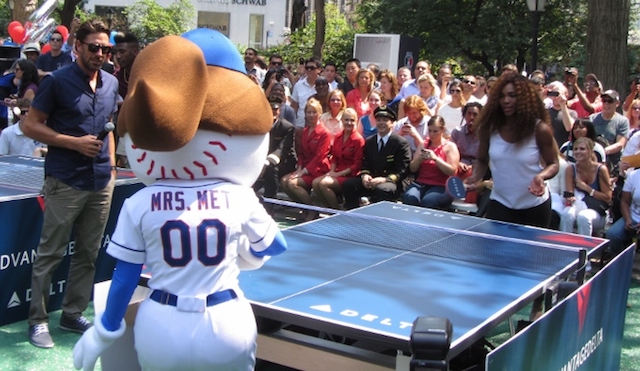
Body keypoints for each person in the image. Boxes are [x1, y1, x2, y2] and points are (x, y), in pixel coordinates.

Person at [22, 20, 119, 349]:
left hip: (101, 181)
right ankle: (37, 321)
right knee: (50, 253)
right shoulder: (58, 82)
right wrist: (71, 143)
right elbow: (30, 126)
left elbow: (109, 127)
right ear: (77, 46)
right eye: (94, 47)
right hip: (65, 179)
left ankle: (72, 313)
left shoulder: (111, 84)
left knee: (88, 254)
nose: (100, 54)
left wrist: (113, 167)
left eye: (106, 48)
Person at [464, 72, 559, 228]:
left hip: (534, 207)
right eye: (502, 96)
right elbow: (481, 159)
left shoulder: (540, 129)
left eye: (512, 95)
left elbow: (553, 163)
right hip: (500, 204)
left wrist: (540, 177)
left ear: (524, 99)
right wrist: (475, 176)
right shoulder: (489, 129)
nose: (506, 100)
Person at [342, 105, 411, 209]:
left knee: (382, 190)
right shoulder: (370, 141)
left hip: (391, 182)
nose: (381, 123)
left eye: (385, 120)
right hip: (372, 180)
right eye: (378, 120)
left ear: (392, 123)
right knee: (349, 185)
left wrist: (384, 179)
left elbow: (402, 171)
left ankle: (379, 221)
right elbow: (365, 164)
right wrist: (365, 176)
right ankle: (354, 216)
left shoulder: (400, 143)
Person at [280, 98, 331, 219]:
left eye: (314, 112)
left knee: (292, 184)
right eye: (309, 112)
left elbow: (319, 157)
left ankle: (312, 209)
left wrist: (303, 172)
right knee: (284, 181)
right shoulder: (305, 131)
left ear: (319, 113)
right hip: (305, 168)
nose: (311, 115)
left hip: (318, 170)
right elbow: (301, 153)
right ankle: (304, 208)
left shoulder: (325, 133)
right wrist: (299, 168)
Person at [401, 115, 460, 210]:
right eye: (430, 131)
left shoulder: (450, 147)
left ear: (442, 130)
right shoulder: (423, 144)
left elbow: (452, 171)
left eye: (435, 131)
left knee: (428, 201)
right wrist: (420, 159)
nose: (432, 134)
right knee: (409, 198)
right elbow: (412, 168)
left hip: (442, 186)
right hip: (422, 183)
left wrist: (435, 159)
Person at [312, 108, 365, 209]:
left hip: (351, 176)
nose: (349, 123)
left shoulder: (359, 140)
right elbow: (335, 157)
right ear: (342, 120)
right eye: (346, 120)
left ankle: (335, 211)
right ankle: (328, 208)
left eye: (352, 120)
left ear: (356, 121)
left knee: (323, 184)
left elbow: (357, 165)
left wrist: (337, 174)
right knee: (315, 183)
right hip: (336, 172)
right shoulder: (337, 136)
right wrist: (331, 171)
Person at [560, 137, 612, 236]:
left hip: (597, 211)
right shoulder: (570, 169)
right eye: (575, 149)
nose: (578, 152)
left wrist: (587, 188)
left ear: (590, 151)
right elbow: (569, 194)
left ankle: (584, 250)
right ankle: (564, 247)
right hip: (578, 206)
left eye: (582, 149)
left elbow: (607, 198)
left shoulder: (601, 169)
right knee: (566, 214)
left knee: (583, 217)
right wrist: (570, 198)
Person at [253, 96, 296, 212]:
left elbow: (282, 150)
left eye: (275, 110)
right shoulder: (260, 125)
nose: (273, 112)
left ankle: (269, 206)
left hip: (283, 162)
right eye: (270, 109)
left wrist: (266, 163)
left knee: (271, 170)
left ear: (279, 110)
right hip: (263, 162)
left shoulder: (287, 127)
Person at [589, 90, 629, 171]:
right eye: (604, 101)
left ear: (617, 103)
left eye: (610, 101)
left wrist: (601, 151)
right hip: (592, 160)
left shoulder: (622, 121)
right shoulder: (592, 118)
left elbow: (620, 144)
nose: (606, 104)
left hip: (612, 163)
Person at [606, 168, 640, 255]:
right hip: (634, 217)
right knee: (613, 234)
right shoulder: (633, 175)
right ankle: (622, 261)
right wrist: (628, 218)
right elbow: (624, 201)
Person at [451, 102, 483, 179]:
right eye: (469, 114)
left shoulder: (485, 135)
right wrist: (458, 163)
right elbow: (450, 154)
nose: (471, 117)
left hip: (477, 169)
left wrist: (472, 167)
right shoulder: (457, 132)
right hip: (459, 167)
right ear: (464, 115)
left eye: (475, 114)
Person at [547, 81, 577, 147]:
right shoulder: (546, 112)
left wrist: (563, 105)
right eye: (553, 94)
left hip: (563, 149)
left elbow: (569, 128)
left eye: (558, 94)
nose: (555, 97)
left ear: (566, 95)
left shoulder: (572, 113)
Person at [112, 32, 140, 101]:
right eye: (115, 52)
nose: (118, 56)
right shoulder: (116, 78)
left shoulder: (148, 75)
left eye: (122, 52)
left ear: (135, 51)